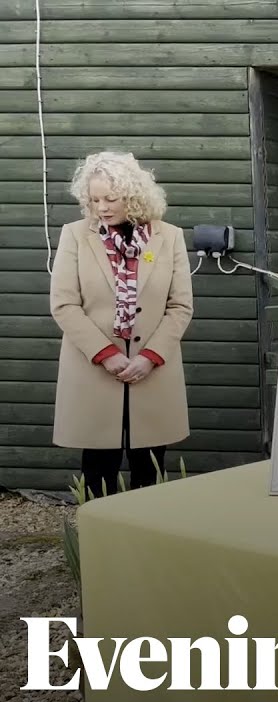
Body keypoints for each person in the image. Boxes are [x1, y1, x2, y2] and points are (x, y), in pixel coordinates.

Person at [50, 151, 193, 494]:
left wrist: (150, 356)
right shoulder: (74, 235)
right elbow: (64, 304)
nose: (102, 207)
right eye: (94, 199)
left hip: (152, 372)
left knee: (151, 473)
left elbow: (180, 306)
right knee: (98, 472)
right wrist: (106, 353)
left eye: (111, 198)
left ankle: (147, 542)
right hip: (94, 370)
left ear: (134, 196)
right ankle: (101, 543)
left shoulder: (169, 236)